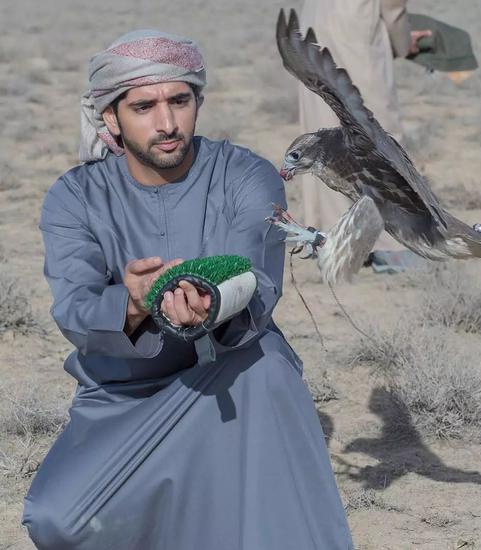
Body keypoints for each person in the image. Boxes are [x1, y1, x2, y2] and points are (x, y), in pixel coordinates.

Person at [22, 30, 354, 550]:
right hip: (125, 395)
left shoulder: (245, 174)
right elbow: (76, 310)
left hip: (232, 371)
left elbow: (257, 279)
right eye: (144, 107)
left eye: (179, 100)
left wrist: (211, 303)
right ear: (111, 118)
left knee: (268, 368)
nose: (167, 123)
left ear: (197, 100)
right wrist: (133, 302)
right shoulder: (75, 197)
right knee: (58, 523)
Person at [299, 0, 430, 239]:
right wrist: (403, 41)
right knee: (375, 132)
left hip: (314, 17)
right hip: (354, 25)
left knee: (324, 123)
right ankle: (386, 243)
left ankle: (332, 235)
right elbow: (392, 6)